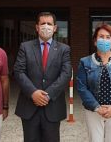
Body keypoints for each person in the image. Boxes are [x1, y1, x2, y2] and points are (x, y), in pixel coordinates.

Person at [14, 11, 72, 142]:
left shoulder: (64, 49)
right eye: (43, 23)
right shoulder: (25, 47)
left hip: (53, 107)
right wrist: (33, 92)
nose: (46, 26)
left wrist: (48, 95)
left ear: (55, 28)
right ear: (37, 27)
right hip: (29, 106)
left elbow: (66, 74)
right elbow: (18, 71)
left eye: (49, 24)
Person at [77, 24, 111, 142]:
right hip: (93, 111)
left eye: (108, 37)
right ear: (95, 41)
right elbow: (82, 88)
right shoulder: (85, 62)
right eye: (101, 36)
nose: (104, 40)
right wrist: (97, 107)